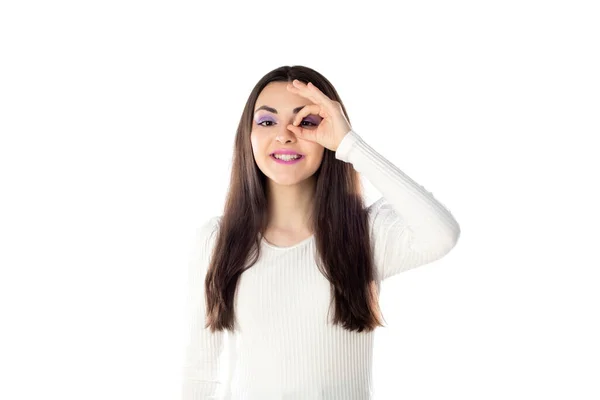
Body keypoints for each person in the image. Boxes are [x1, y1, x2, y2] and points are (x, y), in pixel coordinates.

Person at [181, 65, 461, 399]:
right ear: (248, 136)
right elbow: (201, 371)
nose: (285, 134)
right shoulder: (217, 240)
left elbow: (441, 234)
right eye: (267, 121)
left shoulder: (365, 234)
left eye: (307, 122)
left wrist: (350, 144)